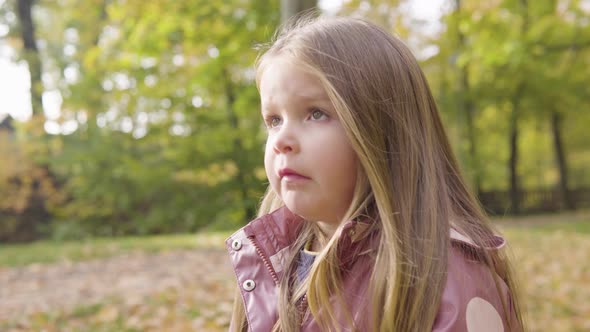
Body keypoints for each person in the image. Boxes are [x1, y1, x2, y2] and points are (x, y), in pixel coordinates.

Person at [226, 14, 524, 332]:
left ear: (384, 130)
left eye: (316, 114)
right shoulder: (272, 260)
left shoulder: (444, 277)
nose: (281, 141)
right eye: (274, 120)